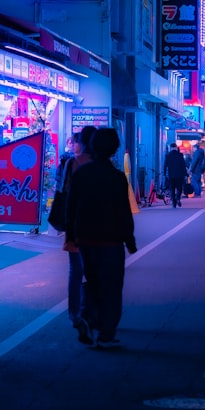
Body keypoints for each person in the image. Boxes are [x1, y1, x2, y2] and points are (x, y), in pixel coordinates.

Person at [66, 128, 137, 349]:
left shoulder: (81, 174)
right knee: (112, 287)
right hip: (112, 239)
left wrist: (71, 236)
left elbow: (71, 208)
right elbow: (123, 212)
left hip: (85, 238)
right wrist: (130, 240)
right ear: (114, 149)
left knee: (93, 281)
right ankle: (106, 333)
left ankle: (87, 316)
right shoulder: (116, 178)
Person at [59, 126, 96, 325]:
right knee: (94, 271)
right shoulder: (104, 164)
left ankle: (74, 312)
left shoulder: (72, 163)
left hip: (76, 224)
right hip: (99, 227)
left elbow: (64, 194)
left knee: (76, 270)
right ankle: (90, 310)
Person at [163, 143, 188, 208]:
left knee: (172, 188)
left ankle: (174, 203)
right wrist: (186, 174)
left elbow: (165, 165)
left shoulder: (168, 155)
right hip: (180, 175)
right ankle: (178, 198)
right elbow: (183, 165)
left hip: (171, 175)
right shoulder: (180, 155)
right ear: (176, 147)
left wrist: (164, 173)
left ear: (171, 148)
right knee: (179, 188)